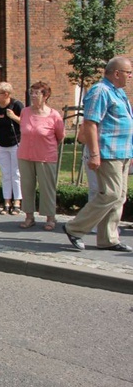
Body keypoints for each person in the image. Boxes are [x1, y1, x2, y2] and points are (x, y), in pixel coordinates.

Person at [64, 57, 133, 252]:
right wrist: (94, 153)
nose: (130, 76)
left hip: (122, 152)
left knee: (119, 197)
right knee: (110, 194)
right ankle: (74, 228)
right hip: (108, 152)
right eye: (128, 72)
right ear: (116, 73)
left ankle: (108, 239)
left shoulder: (118, 92)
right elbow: (90, 123)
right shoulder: (100, 91)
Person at [17, 81, 65, 231]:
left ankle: (50, 218)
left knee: (47, 188)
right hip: (25, 155)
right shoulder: (25, 112)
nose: (33, 96)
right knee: (27, 186)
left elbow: (60, 136)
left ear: (46, 96)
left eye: (36, 93)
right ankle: (29, 217)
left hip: (46, 156)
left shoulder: (54, 115)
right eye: (31, 92)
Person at [0, 82, 24, 216]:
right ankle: (6, 202)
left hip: (15, 143)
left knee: (16, 173)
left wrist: (13, 117)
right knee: (6, 174)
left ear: (6, 94)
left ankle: (17, 202)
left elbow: (25, 122)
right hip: (1, 144)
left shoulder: (17, 105)